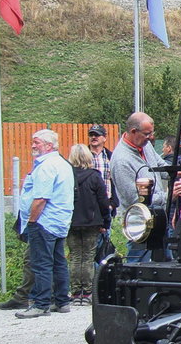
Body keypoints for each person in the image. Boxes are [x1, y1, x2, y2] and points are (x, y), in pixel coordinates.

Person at [15, 129, 75, 318]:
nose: (33, 145)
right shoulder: (63, 163)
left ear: (49, 145)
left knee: (41, 263)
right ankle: (62, 300)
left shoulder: (46, 166)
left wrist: (32, 220)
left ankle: (40, 304)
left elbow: (41, 198)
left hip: (44, 221)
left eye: (37, 142)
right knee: (59, 262)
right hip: (60, 220)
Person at [111, 112, 167, 262]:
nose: (151, 137)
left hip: (159, 217)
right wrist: (168, 196)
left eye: (152, 133)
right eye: (147, 134)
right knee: (138, 265)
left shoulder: (145, 144)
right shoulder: (121, 161)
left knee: (165, 262)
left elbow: (160, 166)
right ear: (133, 132)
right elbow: (136, 200)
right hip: (140, 224)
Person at [67, 144, 110, 304]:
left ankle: (75, 292)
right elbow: (103, 201)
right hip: (92, 222)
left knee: (75, 257)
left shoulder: (67, 176)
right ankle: (87, 293)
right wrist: (106, 221)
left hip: (71, 222)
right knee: (88, 257)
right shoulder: (94, 176)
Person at [87, 124, 118, 262]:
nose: (94, 137)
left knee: (104, 243)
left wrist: (112, 203)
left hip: (106, 205)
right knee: (89, 246)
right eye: (91, 135)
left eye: (97, 135)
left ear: (104, 138)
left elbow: (116, 181)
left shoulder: (111, 157)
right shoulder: (84, 156)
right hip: (88, 207)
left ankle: (101, 274)